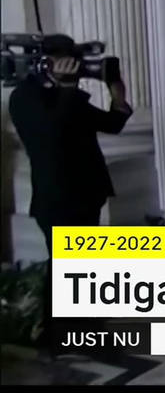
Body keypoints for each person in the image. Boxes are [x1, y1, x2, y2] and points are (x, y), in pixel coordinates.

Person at [8, 34, 133, 352]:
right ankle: (62, 335)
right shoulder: (24, 97)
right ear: (44, 61)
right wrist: (67, 89)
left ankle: (77, 331)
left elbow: (111, 124)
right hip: (57, 199)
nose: (72, 67)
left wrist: (117, 95)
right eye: (64, 59)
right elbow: (51, 132)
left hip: (86, 194)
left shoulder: (65, 95)